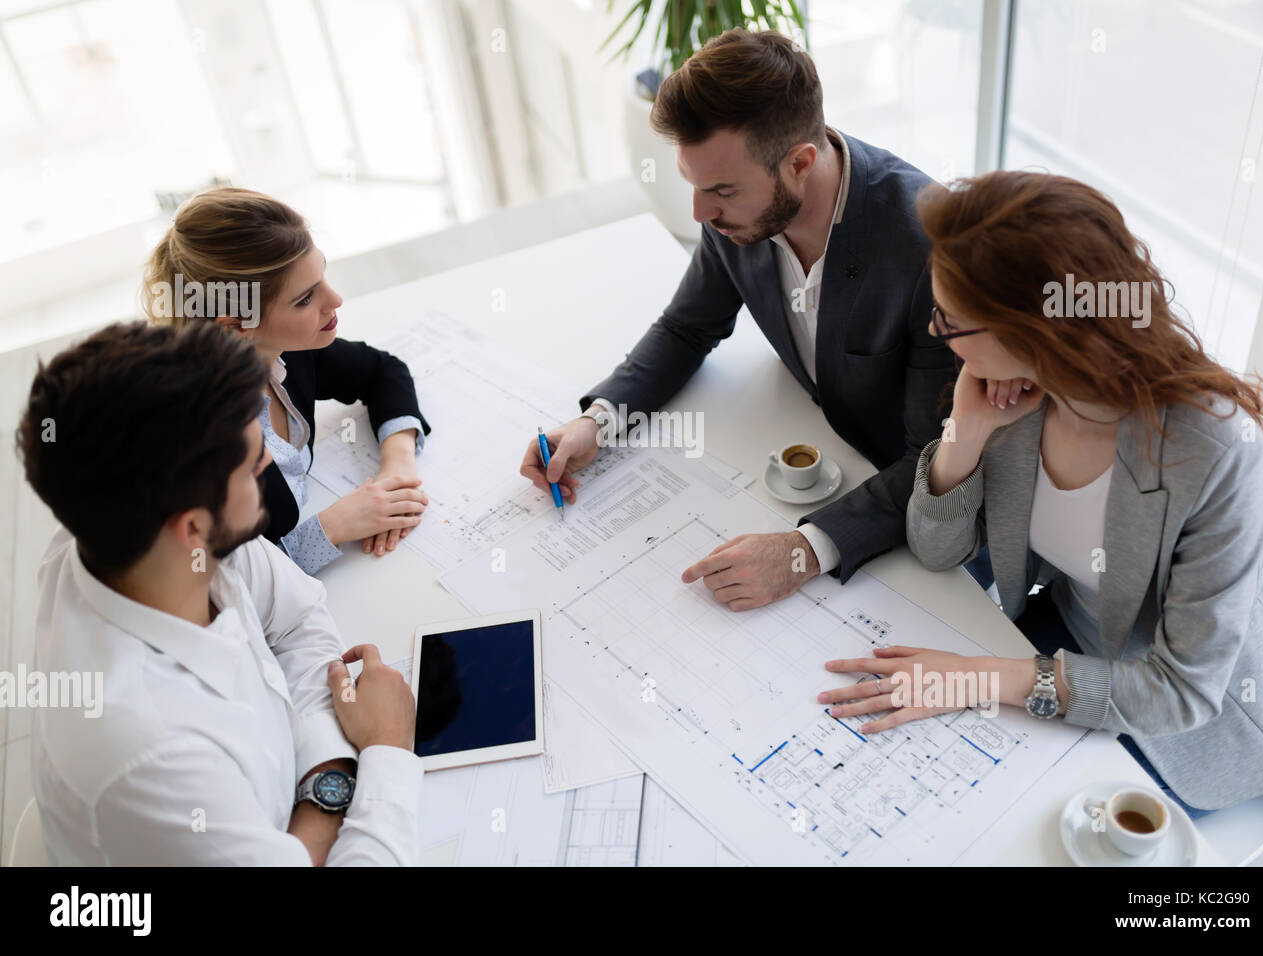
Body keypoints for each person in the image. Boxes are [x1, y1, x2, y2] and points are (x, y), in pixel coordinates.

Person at [820, 170, 1263, 815]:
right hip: (1061, 648)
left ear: (1035, 332)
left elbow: (1182, 694)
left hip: (1195, 731)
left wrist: (974, 679)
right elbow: (938, 552)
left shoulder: (1209, 450)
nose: (936, 333)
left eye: (952, 322)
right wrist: (965, 435)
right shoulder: (1015, 398)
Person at [520, 29, 1020, 610]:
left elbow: (931, 454)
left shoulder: (926, 249)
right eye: (693, 185)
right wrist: (599, 422)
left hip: (925, 538)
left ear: (800, 163)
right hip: (812, 450)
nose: (700, 213)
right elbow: (687, 327)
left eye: (722, 192)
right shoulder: (734, 215)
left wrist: (801, 551)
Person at [18, 320, 421, 864]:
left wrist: (326, 779)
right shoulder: (151, 753)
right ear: (191, 526)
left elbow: (300, 620)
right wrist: (384, 749)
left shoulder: (145, 537)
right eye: (254, 462)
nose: (270, 467)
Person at [144, 186, 431, 574]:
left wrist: (398, 463)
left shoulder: (285, 349)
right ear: (235, 326)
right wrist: (332, 527)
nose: (336, 300)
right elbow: (220, 583)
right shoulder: (202, 446)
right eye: (305, 299)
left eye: (323, 272)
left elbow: (382, 370)